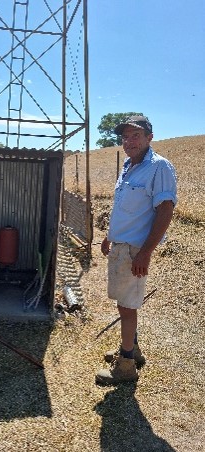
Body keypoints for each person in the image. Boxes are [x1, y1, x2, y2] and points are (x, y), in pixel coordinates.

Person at [96, 115, 177, 385]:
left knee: (127, 307)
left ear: (149, 138)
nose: (129, 141)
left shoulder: (159, 167)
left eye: (136, 136)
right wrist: (110, 236)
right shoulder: (129, 166)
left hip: (134, 251)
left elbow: (165, 210)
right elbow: (124, 208)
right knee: (125, 303)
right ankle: (133, 349)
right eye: (125, 137)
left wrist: (145, 253)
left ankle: (126, 365)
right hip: (122, 246)